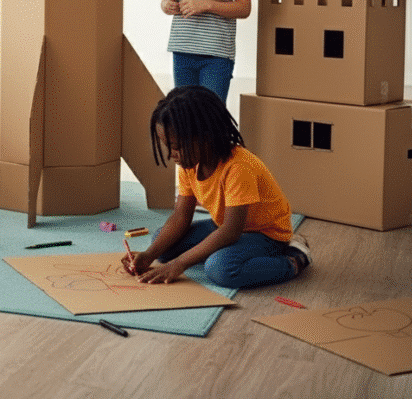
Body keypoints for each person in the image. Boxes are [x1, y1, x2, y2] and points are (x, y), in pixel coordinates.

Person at [125, 85, 311, 289]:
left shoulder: (239, 167)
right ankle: (221, 252)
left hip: (266, 234)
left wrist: (178, 264)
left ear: (205, 136)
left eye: (176, 147)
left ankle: (293, 259)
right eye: (168, 147)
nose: (171, 155)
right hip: (224, 225)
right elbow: (180, 217)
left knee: (220, 268)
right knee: (162, 244)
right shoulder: (190, 163)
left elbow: (231, 231)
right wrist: (149, 255)